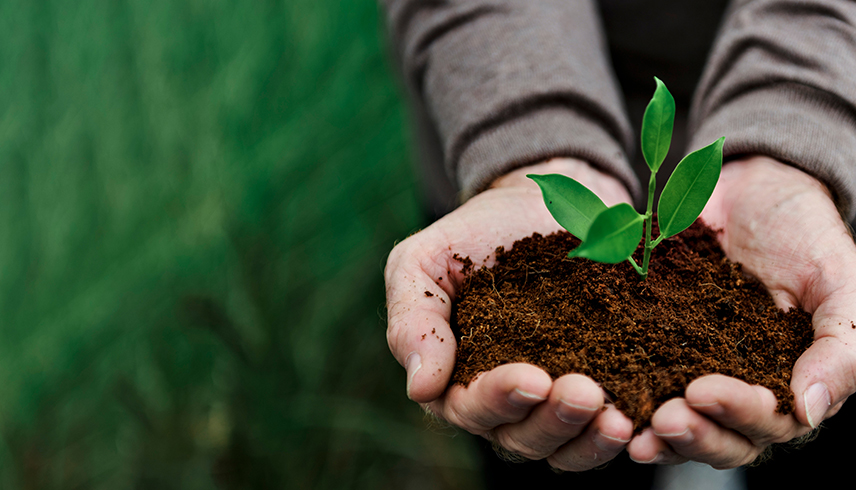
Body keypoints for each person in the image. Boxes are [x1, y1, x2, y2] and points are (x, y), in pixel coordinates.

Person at [381, 0, 856, 486]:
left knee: (803, 425)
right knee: (550, 439)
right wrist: (528, 132)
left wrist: (800, 126)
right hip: (491, 109)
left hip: (831, 123)